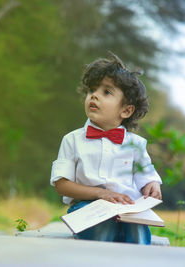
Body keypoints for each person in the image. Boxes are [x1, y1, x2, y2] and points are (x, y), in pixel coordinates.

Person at [50, 52, 162, 245]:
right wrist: (101, 194)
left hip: (127, 208)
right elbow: (62, 185)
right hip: (87, 207)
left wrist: (152, 185)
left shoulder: (136, 144)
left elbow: (147, 176)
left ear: (126, 110)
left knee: (137, 228)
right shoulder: (72, 140)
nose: (93, 95)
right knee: (104, 225)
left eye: (106, 92)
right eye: (91, 90)